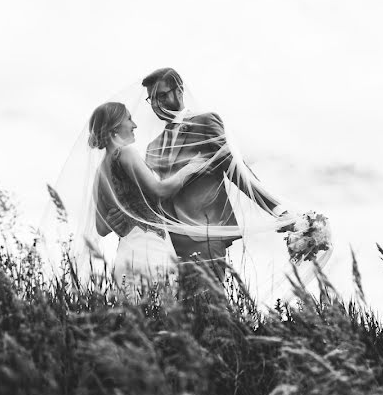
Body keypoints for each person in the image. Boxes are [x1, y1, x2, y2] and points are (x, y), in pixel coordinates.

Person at [103, 68, 292, 283]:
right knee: (179, 315)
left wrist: (277, 209)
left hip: (204, 235)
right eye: (152, 99)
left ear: (180, 91)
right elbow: (151, 196)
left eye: (162, 95)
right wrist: (123, 216)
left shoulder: (205, 123)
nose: (157, 105)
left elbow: (237, 170)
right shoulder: (152, 147)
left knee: (211, 308)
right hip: (166, 244)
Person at [88, 101, 205, 288]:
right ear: (114, 127)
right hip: (151, 251)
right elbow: (159, 191)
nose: (134, 125)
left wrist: (121, 213)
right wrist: (191, 168)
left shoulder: (99, 173)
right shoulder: (126, 153)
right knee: (162, 313)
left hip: (125, 257)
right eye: (129, 118)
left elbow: (101, 228)